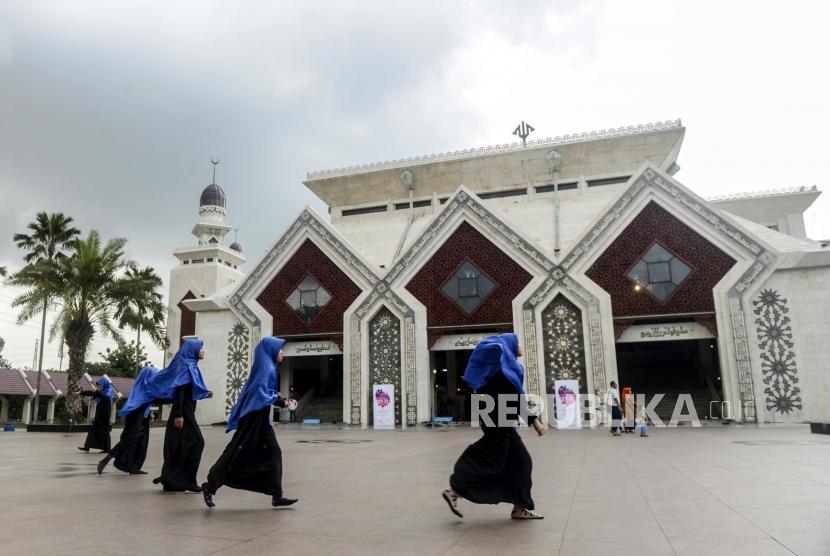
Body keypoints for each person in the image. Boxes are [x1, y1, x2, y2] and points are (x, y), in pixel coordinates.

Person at [442, 333, 545, 520]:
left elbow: (512, 398)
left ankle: (519, 507)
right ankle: (455, 489)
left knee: (520, 462)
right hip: (499, 418)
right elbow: (515, 399)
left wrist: (532, 420)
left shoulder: (500, 368)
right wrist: (534, 421)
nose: (521, 345)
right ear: (511, 345)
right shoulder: (506, 369)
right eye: (518, 342)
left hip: (497, 417)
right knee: (492, 458)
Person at [202, 337, 298, 508]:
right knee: (235, 452)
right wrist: (281, 403)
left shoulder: (266, 366)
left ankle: (276, 495)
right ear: (271, 350)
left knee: (273, 452)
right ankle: (210, 486)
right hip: (253, 419)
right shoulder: (266, 368)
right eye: (280, 349)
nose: (282, 352)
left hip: (260, 420)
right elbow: (260, 393)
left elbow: (264, 392)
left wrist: (279, 400)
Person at [149, 338, 213, 492]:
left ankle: (173, 480)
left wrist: (205, 393)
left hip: (185, 413)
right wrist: (178, 415)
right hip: (183, 414)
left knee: (178, 446)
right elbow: (180, 391)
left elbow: (189, 389)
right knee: (197, 443)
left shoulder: (191, 366)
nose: (203, 351)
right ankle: (187, 481)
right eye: (201, 348)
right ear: (193, 350)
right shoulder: (186, 366)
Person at [97, 366, 158, 475]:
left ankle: (134, 467)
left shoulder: (143, 388)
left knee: (140, 443)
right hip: (137, 418)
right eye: (153, 376)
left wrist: (148, 414)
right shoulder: (143, 389)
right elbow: (145, 402)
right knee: (130, 440)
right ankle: (107, 459)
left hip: (140, 417)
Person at [78, 377, 115, 453]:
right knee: (93, 428)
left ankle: (107, 449)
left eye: (100, 385)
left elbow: (105, 399)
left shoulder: (109, 390)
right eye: (98, 385)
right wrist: (80, 393)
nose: (99, 387)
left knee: (104, 430)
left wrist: (96, 392)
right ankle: (87, 447)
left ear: (104, 384)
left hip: (105, 412)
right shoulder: (101, 391)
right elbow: (91, 392)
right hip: (100, 411)